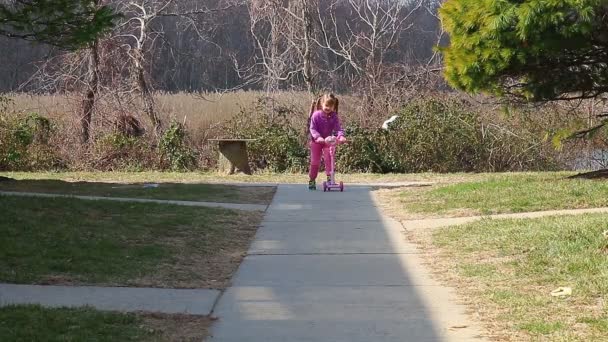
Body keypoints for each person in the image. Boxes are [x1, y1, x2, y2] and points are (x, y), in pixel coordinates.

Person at [307, 93, 346, 190]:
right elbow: (312, 128)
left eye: (331, 106)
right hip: (317, 141)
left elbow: (338, 128)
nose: (328, 108)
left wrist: (341, 136)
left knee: (330, 158)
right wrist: (318, 137)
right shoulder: (316, 115)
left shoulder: (334, 116)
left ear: (334, 106)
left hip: (328, 141)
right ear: (321, 104)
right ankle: (312, 179)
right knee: (315, 161)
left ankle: (330, 178)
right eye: (326, 105)